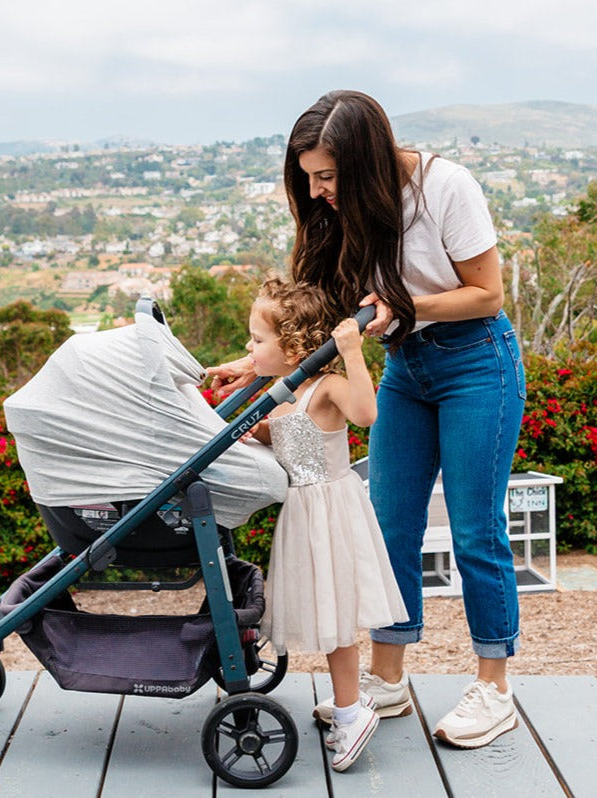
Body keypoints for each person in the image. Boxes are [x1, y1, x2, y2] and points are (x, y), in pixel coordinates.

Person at [211, 89, 526, 749]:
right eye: (310, 179)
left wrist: (404, 305)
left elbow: (487, 293)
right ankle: (387, 679)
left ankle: (494, 687)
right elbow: (312, 312)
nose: (320, 191)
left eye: (327, 176)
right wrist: (256, 364)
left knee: (474, 529)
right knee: (389, 529)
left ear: (364, 158)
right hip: (408, 367)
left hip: (477, 363)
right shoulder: (345, 210)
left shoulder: (446, 188)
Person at [242, 278, 408, 772]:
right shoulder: (283, 392)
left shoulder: (326, 386)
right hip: (303, 514)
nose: (250, 348)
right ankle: (347, 703)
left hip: (331, 511)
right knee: (326, 614)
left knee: (336, 618)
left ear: (293, 345)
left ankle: (353, 713)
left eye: (256, 340)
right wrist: (264, 434)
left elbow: (367, 413)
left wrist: (353, 352)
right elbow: (294, 443)